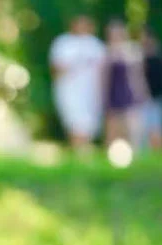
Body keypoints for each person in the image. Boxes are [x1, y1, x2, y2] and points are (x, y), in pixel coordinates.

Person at [49, 15, 106, 152]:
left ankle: (83, 152)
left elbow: (104, 71)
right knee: (75, 123)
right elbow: (56, 68)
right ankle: (79, 151)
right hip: (69, 91)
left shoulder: (96, 45)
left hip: (91, 93)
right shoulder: (63, 43)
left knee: (89, 125)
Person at [102, 19, 149, 151]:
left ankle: (136, 154)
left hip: (130, 93)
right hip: (113, 94)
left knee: (133, 128)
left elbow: (138, 76)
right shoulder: (107, 52)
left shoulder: (133, 50)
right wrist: (103, 97)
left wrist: (142, 93)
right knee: (112, 129)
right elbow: (104, 78)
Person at [141, 27, 162, 150]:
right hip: (145, 100)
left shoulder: (161, 57)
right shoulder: (141, 57)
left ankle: (160, 151)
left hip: (158, 99)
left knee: (157, 128)